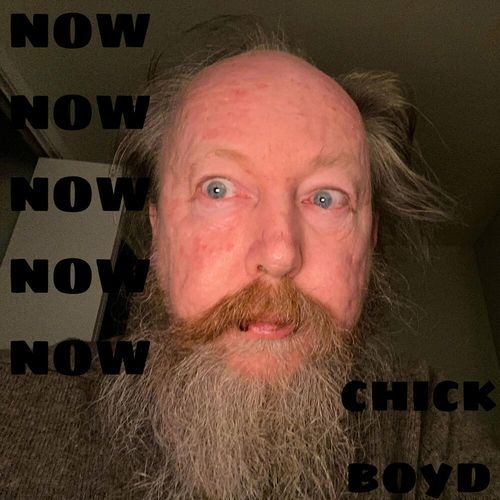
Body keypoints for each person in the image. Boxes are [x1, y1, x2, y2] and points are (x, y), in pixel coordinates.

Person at [1, 17, 498, 499]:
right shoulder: (16, 404)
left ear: (369, 244)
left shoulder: (426, 429)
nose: (279, 254)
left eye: (326, 198)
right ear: (157, 234)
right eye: (217, 189)